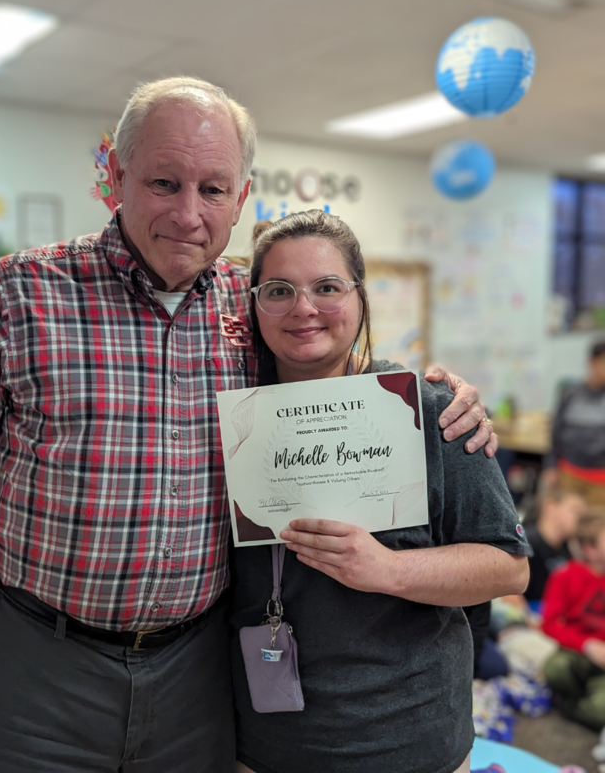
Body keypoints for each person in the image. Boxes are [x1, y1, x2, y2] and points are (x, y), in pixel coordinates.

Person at [0, 77, 497, 773]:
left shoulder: (257, 304)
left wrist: (440, 393)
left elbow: (331, 369)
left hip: (198, 670)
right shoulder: (17, 292)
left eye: (212, 189)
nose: (187, 214)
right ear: (116, 176)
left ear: (241, 197)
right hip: (39, 659)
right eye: (163, 183)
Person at [231, 209, 530, 773]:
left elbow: (508, 569)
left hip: (414, 741)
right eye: (279, 290)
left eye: (327, 287)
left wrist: (388, 569)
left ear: (360, 297)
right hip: (269, 743)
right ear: (255, 305)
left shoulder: (431, 411)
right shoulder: (234, 420)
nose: (303, 307)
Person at [542, 511, 605, 730]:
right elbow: (549, 624)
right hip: (576, 654)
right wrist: (587, 646)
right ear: (589, 549)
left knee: (600, 711)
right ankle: (568, 700)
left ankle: (574, 706)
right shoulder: (565, 576)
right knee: (556, 668)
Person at [545, 339, 605, 508]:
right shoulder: (570, 394)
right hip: (570, 474)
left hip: (600, 479)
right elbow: (555, 432)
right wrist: (550, 466)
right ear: (592, 363)